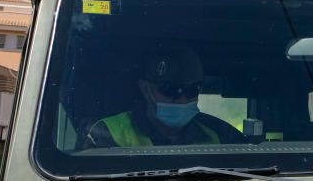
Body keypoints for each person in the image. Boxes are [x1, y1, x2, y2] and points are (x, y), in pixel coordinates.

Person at [82, 46, 243, 148]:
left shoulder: (220, 135)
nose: (182, 100)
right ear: (145, 89)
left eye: (191, 91)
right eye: (170, 90)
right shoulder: (107, 134)